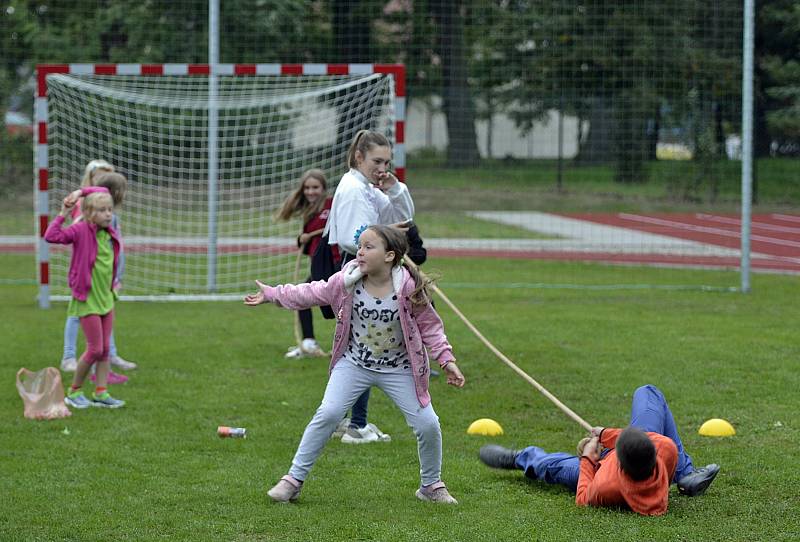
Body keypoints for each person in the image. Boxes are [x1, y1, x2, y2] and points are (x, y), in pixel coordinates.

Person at [245, 225, 465, 504]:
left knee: (428, 424)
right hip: (354, 363)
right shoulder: (346, 280)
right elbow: (312, 292)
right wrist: (273, 294)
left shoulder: (408, 286)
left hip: (399, 368)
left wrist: (447, 361)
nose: (360, 252)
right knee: (329, 413)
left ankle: (431, 486)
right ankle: (293, 481)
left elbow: (430, 328)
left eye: (368, 247)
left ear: (389, 256)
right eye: (359, 246)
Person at [478, 384, 720, 516]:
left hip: (598, 469)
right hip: (636, 459)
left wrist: (588, 459)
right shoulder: (664, 448)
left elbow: (583, 498)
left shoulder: (605, 485)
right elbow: (641, 437)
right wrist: (604, 434)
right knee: (648, 392)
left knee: (555, 465)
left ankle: (520, 458)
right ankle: (685, 474)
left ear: (617, 460)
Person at [324, 130, 415, 443]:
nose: (382, 168)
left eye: (387, 162)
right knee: (366, 346)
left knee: (359, 345)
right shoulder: (352, 188)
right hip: (359, 269)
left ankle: (344, 419)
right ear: (359, 157)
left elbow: (404, 221)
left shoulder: (369, 188)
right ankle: (356, 425)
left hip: (371, 266)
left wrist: (396, 189)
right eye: (377, 161)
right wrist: (384, 235)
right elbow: (354, 237)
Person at [45, 187, 126, 409]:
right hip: (87, 299)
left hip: (106, 299)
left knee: (105, 350)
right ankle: (74, 392)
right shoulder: (80, 230)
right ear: (89, 213)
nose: (108, 214)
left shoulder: (107, 232)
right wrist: (64, 212)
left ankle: (101, 392)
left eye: (110, 209)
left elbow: (101, 189)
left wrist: (81, 191)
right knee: (95, 349)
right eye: (102, 210)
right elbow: (51, 236)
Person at [59, 160, 137, 381]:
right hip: (88, 282)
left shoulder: (110, 215)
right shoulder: (87, 213)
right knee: (79, 318)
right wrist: (80, 192)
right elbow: (64, 237)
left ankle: (108, 360)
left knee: (103, 324)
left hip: (105, 281)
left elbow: (112, 251)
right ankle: (70, 358)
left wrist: (116, 276)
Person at [275, 169, 339, 359]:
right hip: (317, 264)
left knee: (339, 305)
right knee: (302, 297)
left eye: (315, 187)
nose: (311, 191)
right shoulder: (309, 212)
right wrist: (302, 238)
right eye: (307, 188)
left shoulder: (332, 204)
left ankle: (351, 344)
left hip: (333, 263)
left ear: (324, 188)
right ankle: (309, 342)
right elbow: (308, 242)